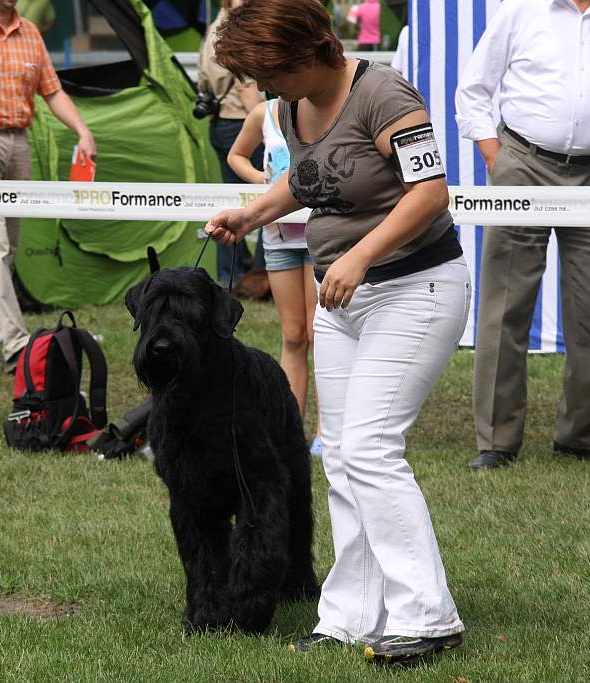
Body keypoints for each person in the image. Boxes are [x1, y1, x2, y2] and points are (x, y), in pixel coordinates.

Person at [207, 0, 468, 663]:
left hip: (417, 289)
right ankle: (349, 615)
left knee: (372, 448)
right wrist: (251, 214)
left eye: (269, 73)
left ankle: (427, 616)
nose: (263, 89)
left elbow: (431, 191)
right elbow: (309, 178)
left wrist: (360, 254)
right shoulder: (292, 109)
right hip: (341, 301)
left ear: (307, 53)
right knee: (344, 457)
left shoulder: (384, 92)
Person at [455, 0, 590, 470]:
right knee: (506, 302)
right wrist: (494, 156)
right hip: (523, 163)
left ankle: (583, 434)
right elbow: (474, 87)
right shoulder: (519, 8)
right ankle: (497, 440)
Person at [0, 0, 96, 372]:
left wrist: (82, 131)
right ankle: (17, 344)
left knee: (7, 246)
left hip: (19, 144)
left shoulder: (30, 32)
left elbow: (52, 91)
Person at [227, 97, 324, 457]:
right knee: (294, 336)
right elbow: (236, 155)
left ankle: (325, 432)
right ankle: (290, 431)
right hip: (278, 236)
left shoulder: (321, 105)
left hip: (320, 235)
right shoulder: (262, 113)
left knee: (319, 334)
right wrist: (261, 179)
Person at [197, 0, 263, 287]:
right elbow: (247, 85)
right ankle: (261, 273)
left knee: (230, 202)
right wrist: (266, 126)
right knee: (267, 198)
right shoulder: (236, 30)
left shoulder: (213, 29)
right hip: (242, 122)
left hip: (221, 122)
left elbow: (203, 82)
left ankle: (231, 273)